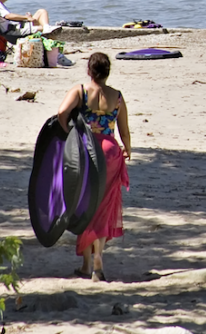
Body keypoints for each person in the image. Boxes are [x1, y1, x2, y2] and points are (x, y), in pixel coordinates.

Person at [57, 52, 131, 281]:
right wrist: (127, 148)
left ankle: (87, 263)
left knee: (85, 204)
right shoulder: (117, 96)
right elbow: (124, 130)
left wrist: (68, 132)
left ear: (89, 71)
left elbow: (61, 112)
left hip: (86, 151)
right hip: (110, 151)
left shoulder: (80, 91)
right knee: (103, 206)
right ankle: (96, 259)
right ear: (108, 72)